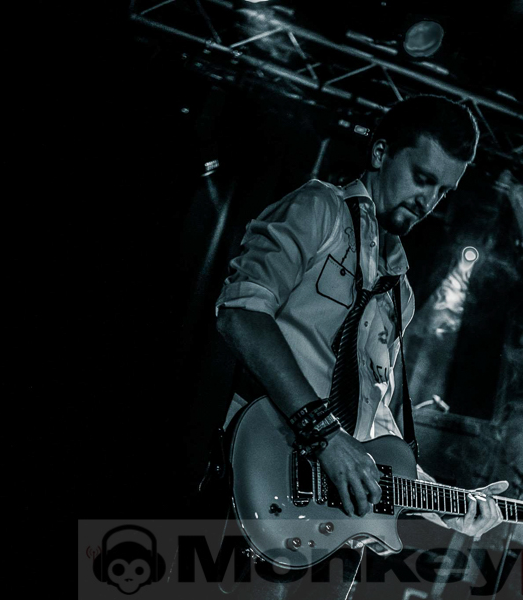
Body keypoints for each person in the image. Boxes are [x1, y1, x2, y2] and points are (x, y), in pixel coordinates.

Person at [215, 95, 507, 598]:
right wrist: (327, 436)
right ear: (380, 153)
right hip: (263, 476)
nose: (428, 200)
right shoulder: (318, 209)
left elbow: (377, 426)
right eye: (422, 177)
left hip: (333, 523)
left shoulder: (401, 293)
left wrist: (445, 503)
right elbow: (241, 314)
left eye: (443, 190)